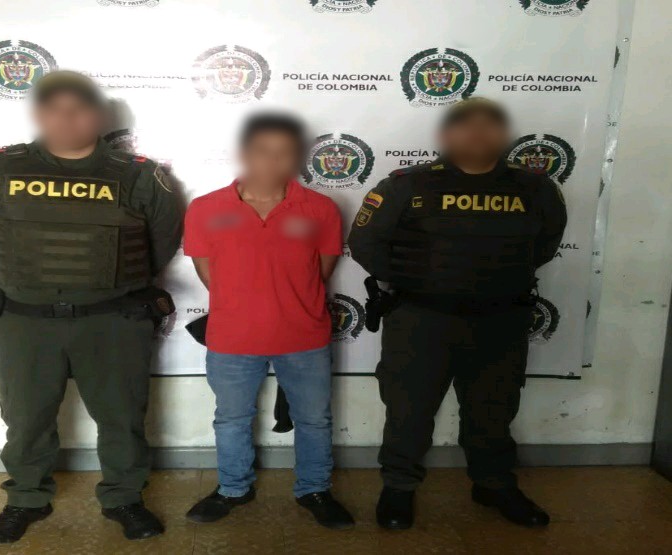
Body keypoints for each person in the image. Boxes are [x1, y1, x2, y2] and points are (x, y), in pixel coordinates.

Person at [0, 71, 183, 543]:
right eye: (55, 109)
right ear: (38, 114)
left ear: (99, 116)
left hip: (113, 319)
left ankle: (125, 498)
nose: (67, 119)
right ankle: (25, 499)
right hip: (25, 320)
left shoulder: (139, 175)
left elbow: (159, 245)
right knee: (26, 419)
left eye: (79, 109)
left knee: (122, 417)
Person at [348, 97, 567, 530]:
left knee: (494, 409)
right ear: (446, 134)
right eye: (466, 125)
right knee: (409, 410)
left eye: (489, 125)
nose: (478, 133)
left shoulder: (536, 188)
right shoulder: (406, 185)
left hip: (501, 320)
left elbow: (544, 245)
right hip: (421, 320)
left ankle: (493, 484)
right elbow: (365, 245)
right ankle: (399, 487)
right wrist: (420, 282)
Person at [182, 113, 354, 530]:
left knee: (314, 420)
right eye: (262, 151)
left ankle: (314, 489)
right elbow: (208, 274)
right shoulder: (206, 208)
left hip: (304, 336)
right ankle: (232, 489)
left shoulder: (320, 209)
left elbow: (321, 271)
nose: (272, 161)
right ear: (244, 153)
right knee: (231, 419)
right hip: (232, 338)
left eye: (284, 152)